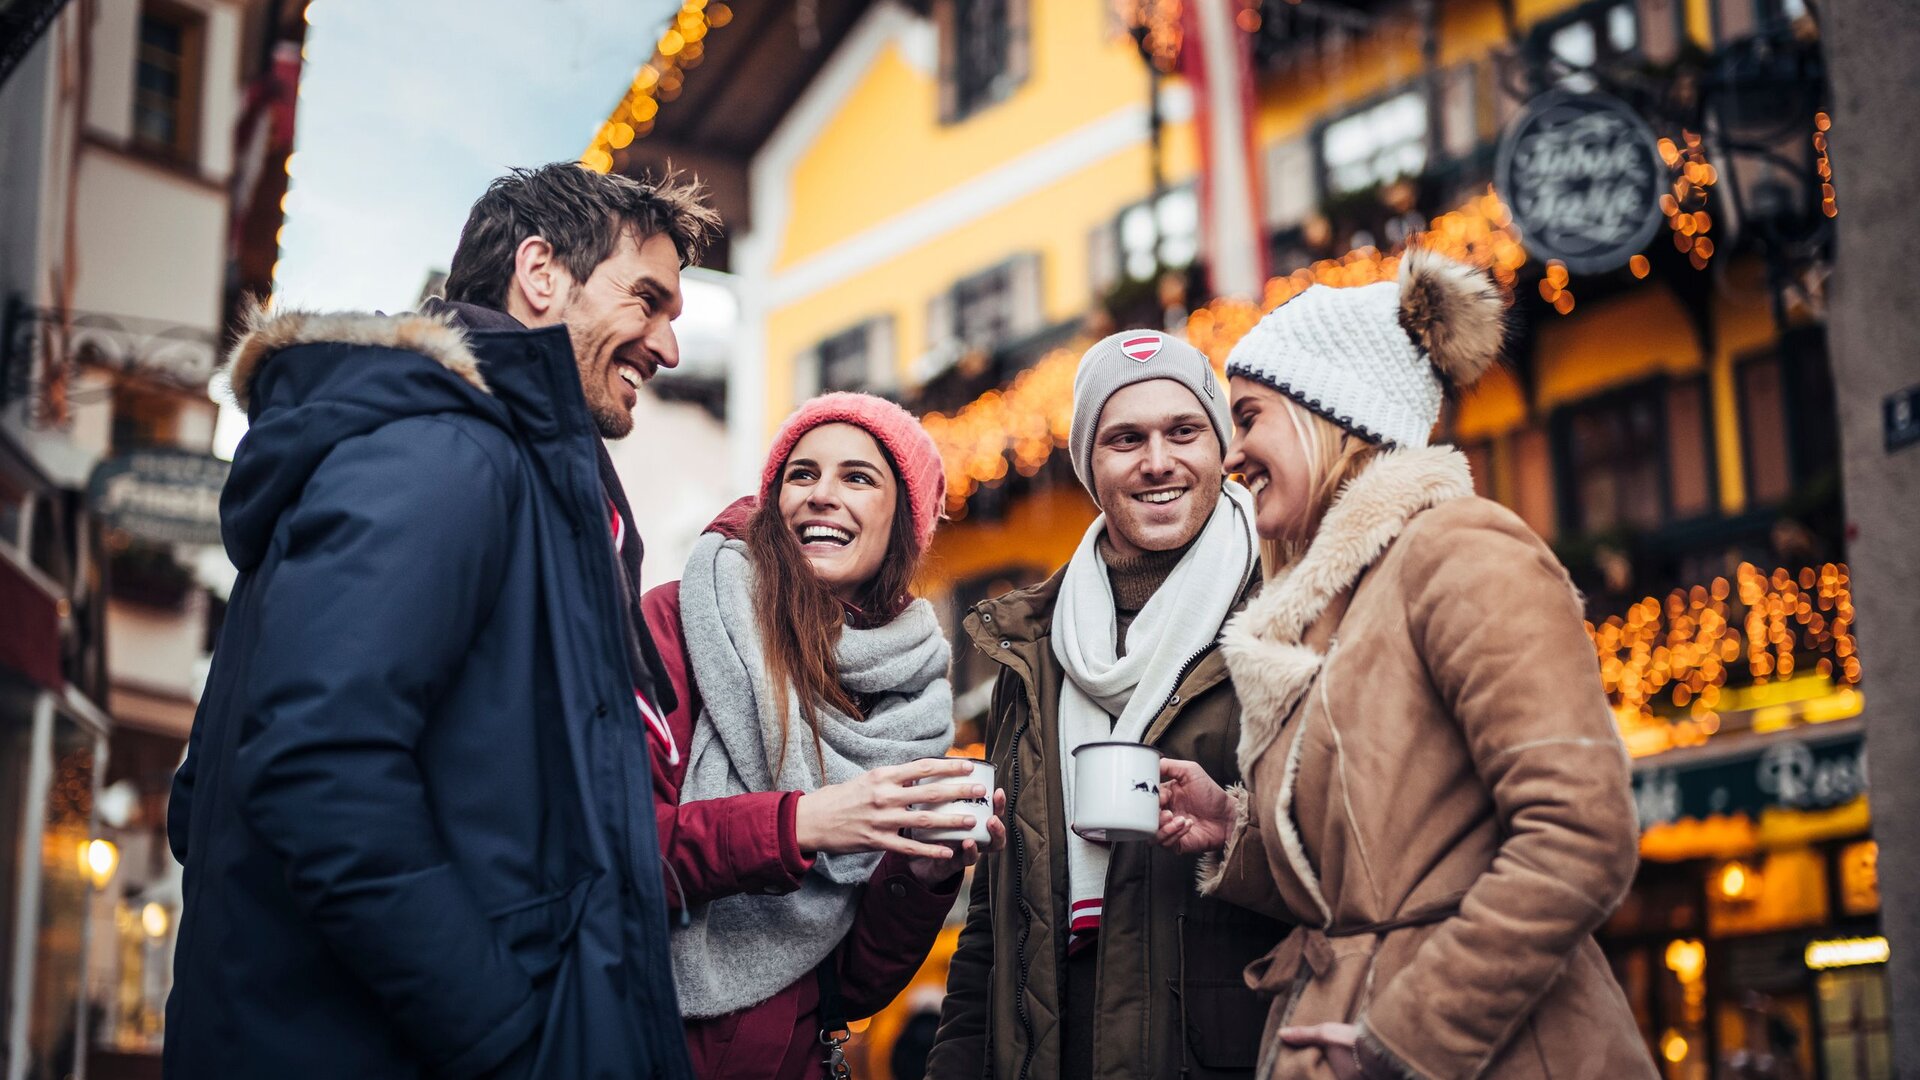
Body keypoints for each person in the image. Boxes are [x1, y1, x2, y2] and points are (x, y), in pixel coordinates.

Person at [165, 163, 718, 1079]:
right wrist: (502, 1034)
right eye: (647, 299)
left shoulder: (499, 466)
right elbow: (319, 768)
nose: (666, 345)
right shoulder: (444, 452)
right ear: (542, 273)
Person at [1154, 248, 1656, 1079]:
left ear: (1327, 412)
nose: (1231, 453)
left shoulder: (1457, 550)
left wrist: (1410, 1039)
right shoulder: (1331, 611)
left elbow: (1581, 833)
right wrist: (1237, 829)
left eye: (1250, 416)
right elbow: (1380, 873)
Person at [927, 331, 1287, 1080]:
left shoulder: (1286, 611)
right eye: (1125, 438)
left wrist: (1232, 827)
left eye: (1183, 431)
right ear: (1090, 465)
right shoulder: (1033, 646)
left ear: (1220, 448)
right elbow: (994, 922)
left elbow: (1355, 865)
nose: (1158, 461)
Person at [642, 391, 1007, 1080]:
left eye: (858, 477)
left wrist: (923, 874)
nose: (820, 495)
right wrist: (803, 823)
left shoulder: (911, 697)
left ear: (903, 522)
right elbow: (608, 850)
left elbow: (849, 985)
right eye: (800, 474)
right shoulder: (680, 621)